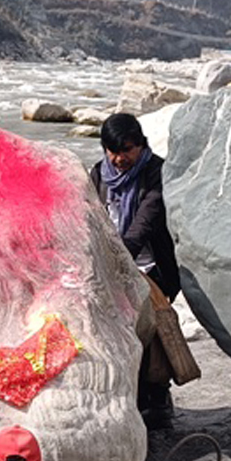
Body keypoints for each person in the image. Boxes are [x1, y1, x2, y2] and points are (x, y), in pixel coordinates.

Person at [90, 113, 181, 429]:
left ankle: (157, 397)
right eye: (112, 151)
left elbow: (144, 222)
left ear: (141, 145)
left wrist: (119, 260)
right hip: (113, 266)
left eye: (126, 150)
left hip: (151, 267)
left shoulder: (157, 172)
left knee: (149, 333)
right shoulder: (99, 175)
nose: (119, 159)